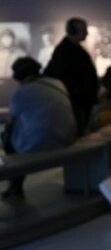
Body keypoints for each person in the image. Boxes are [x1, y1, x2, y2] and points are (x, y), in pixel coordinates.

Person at [1, 57, 77, 199]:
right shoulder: (57, 83)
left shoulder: (22, 92)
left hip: (39, 145)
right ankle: (15, 184)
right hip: (66, 139)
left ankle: (15, 183)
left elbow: (11, 120)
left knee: (7, 137)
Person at [43, 17, 99, 136]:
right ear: (73, 31)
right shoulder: (63, 52)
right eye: (83, 30)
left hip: (80, 102)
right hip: (76, 103)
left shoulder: (74, 49)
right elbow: (65, 78)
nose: (86, 33)